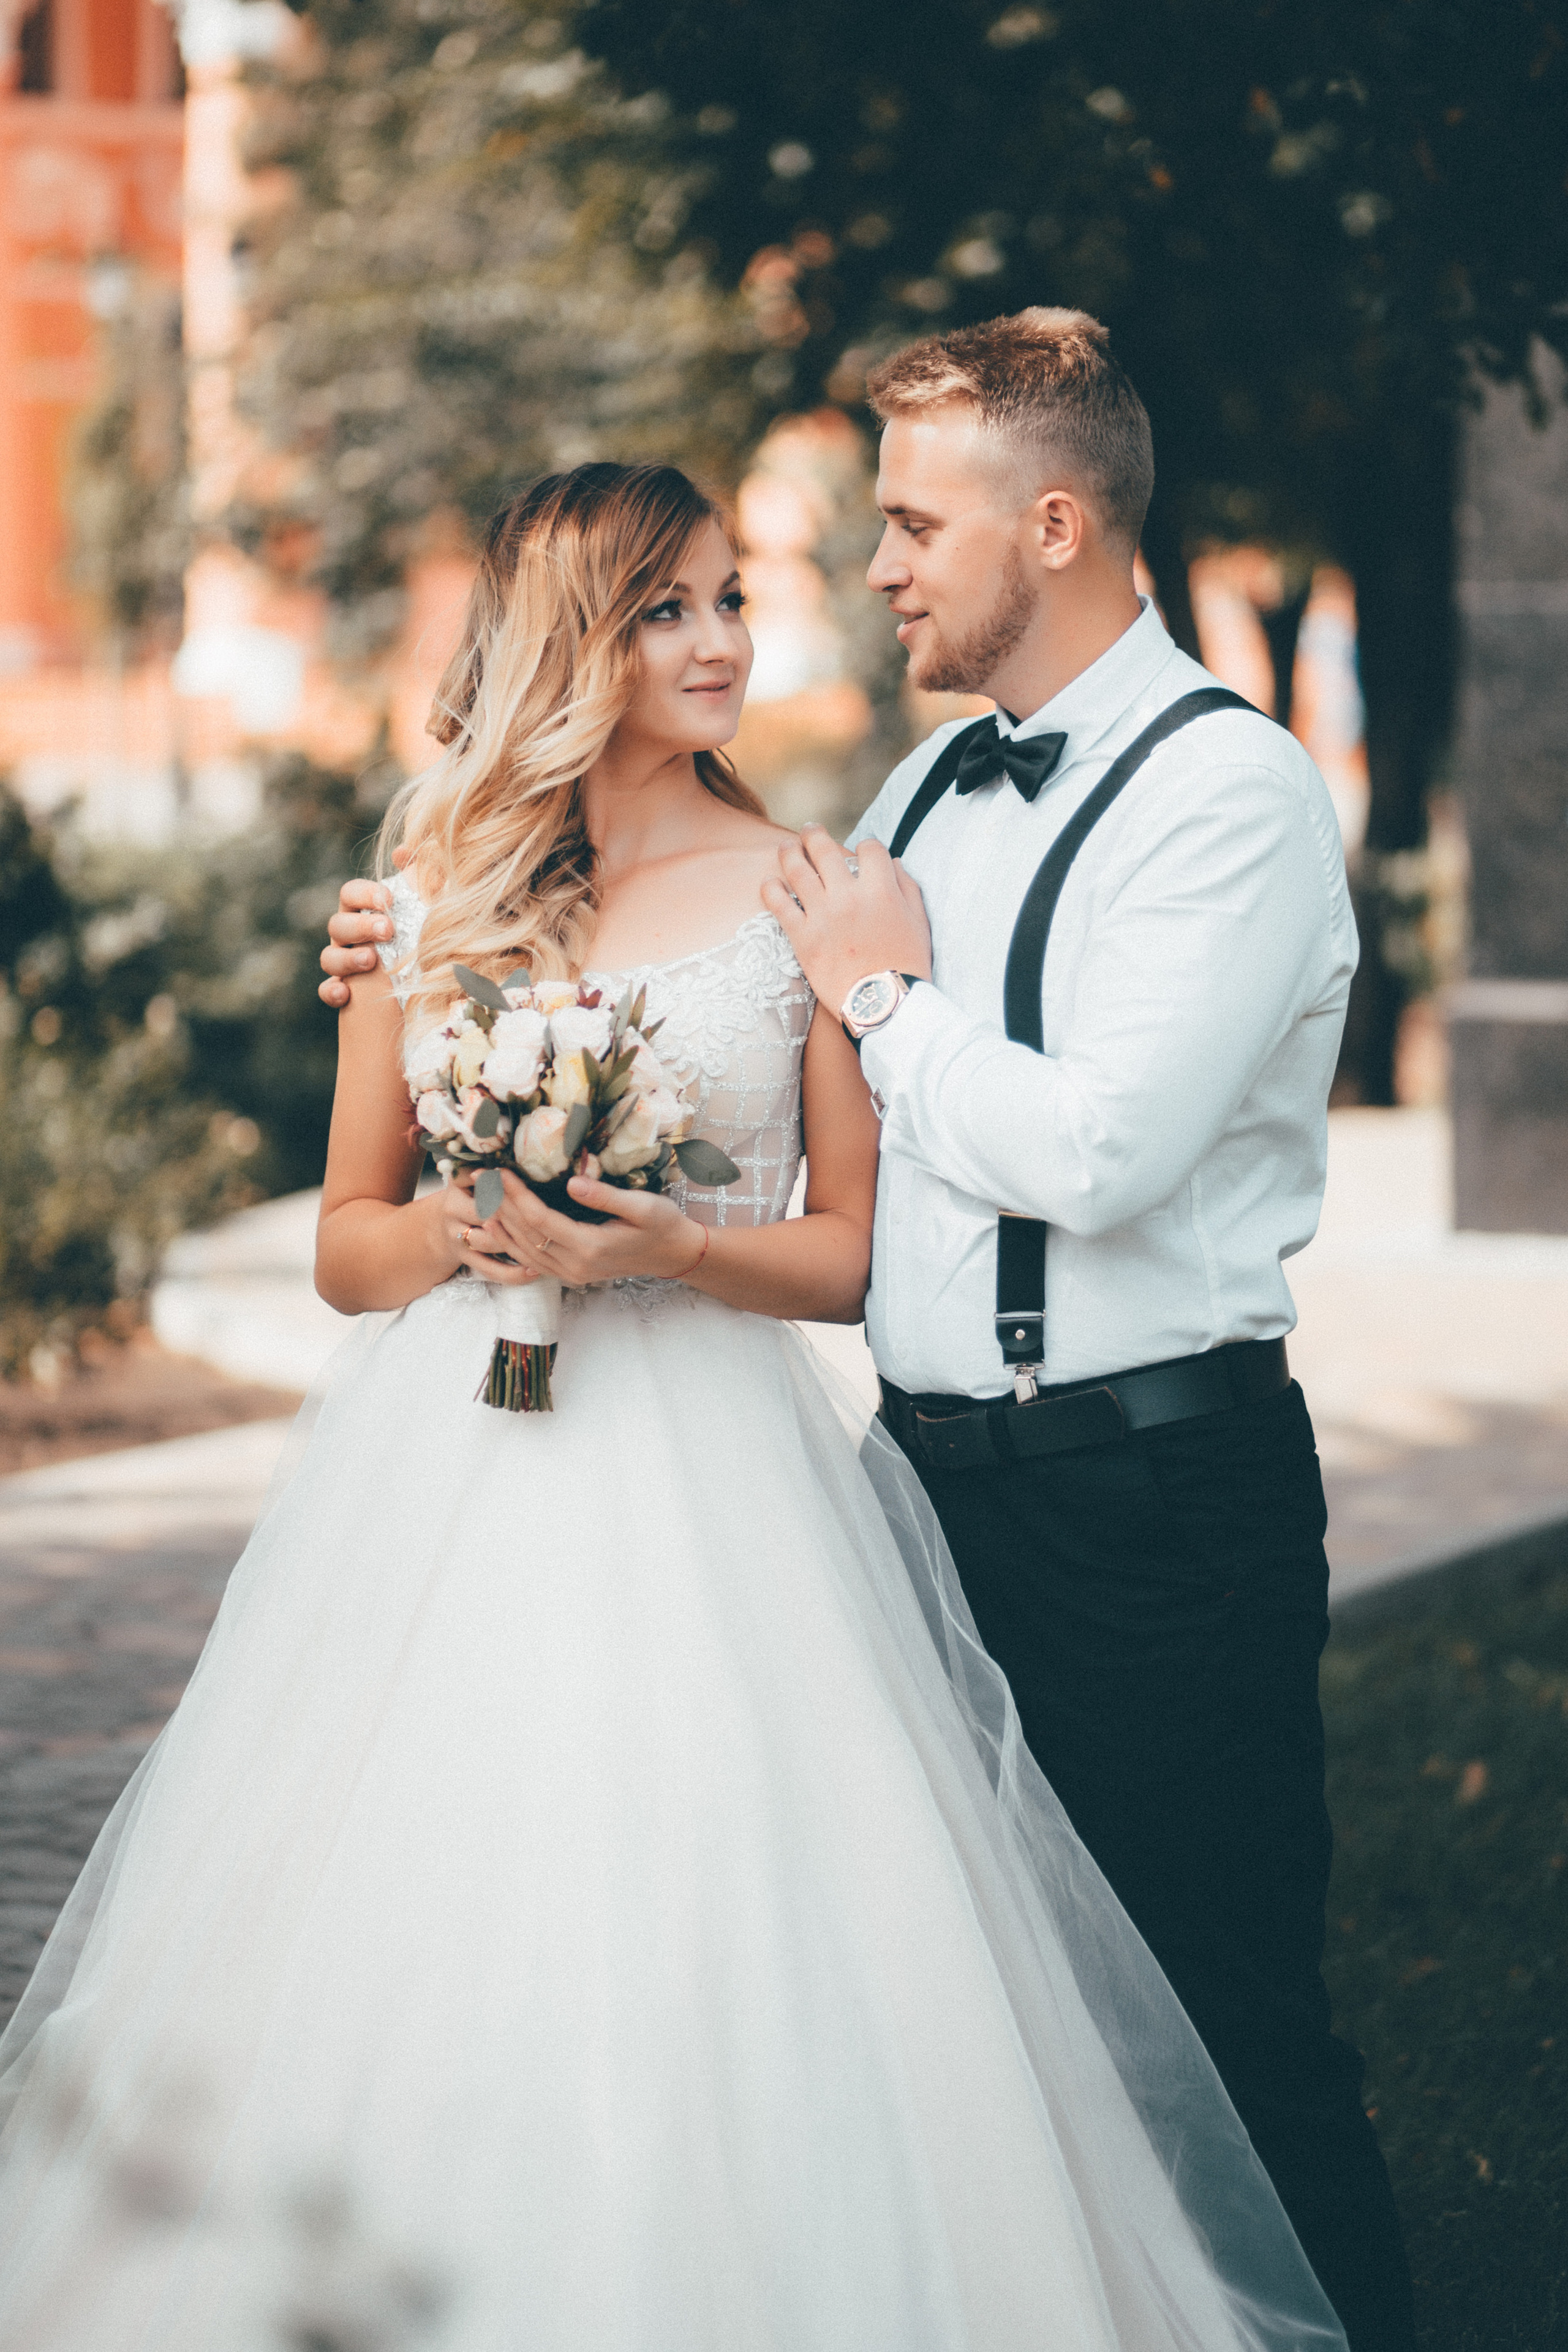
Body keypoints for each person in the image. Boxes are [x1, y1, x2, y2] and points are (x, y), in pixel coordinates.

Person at [0, 461, 1343, 2351]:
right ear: (577, 638)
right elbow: (346, 1247)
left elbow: (851, 1259)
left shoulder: (815, 884)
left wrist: (666, 1255)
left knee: (727, 1913)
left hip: (720, 1489)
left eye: (730, 597)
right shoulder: (431, 890)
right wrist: (486, 1228)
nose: (721, 639)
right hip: (444, 1487)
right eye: (669, 608)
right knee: (421, 1906)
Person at [321, 309, 1411, 2352]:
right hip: (914, 1486)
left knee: (1225, 2019)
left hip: (1149, 1484)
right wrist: (407, 947)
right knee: (979, 2014)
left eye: (911, 526)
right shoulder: (912, 787)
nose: (873, 569)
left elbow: (1091, 1149)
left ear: (1055, 522)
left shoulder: (1234, 796)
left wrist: (879, 1013)